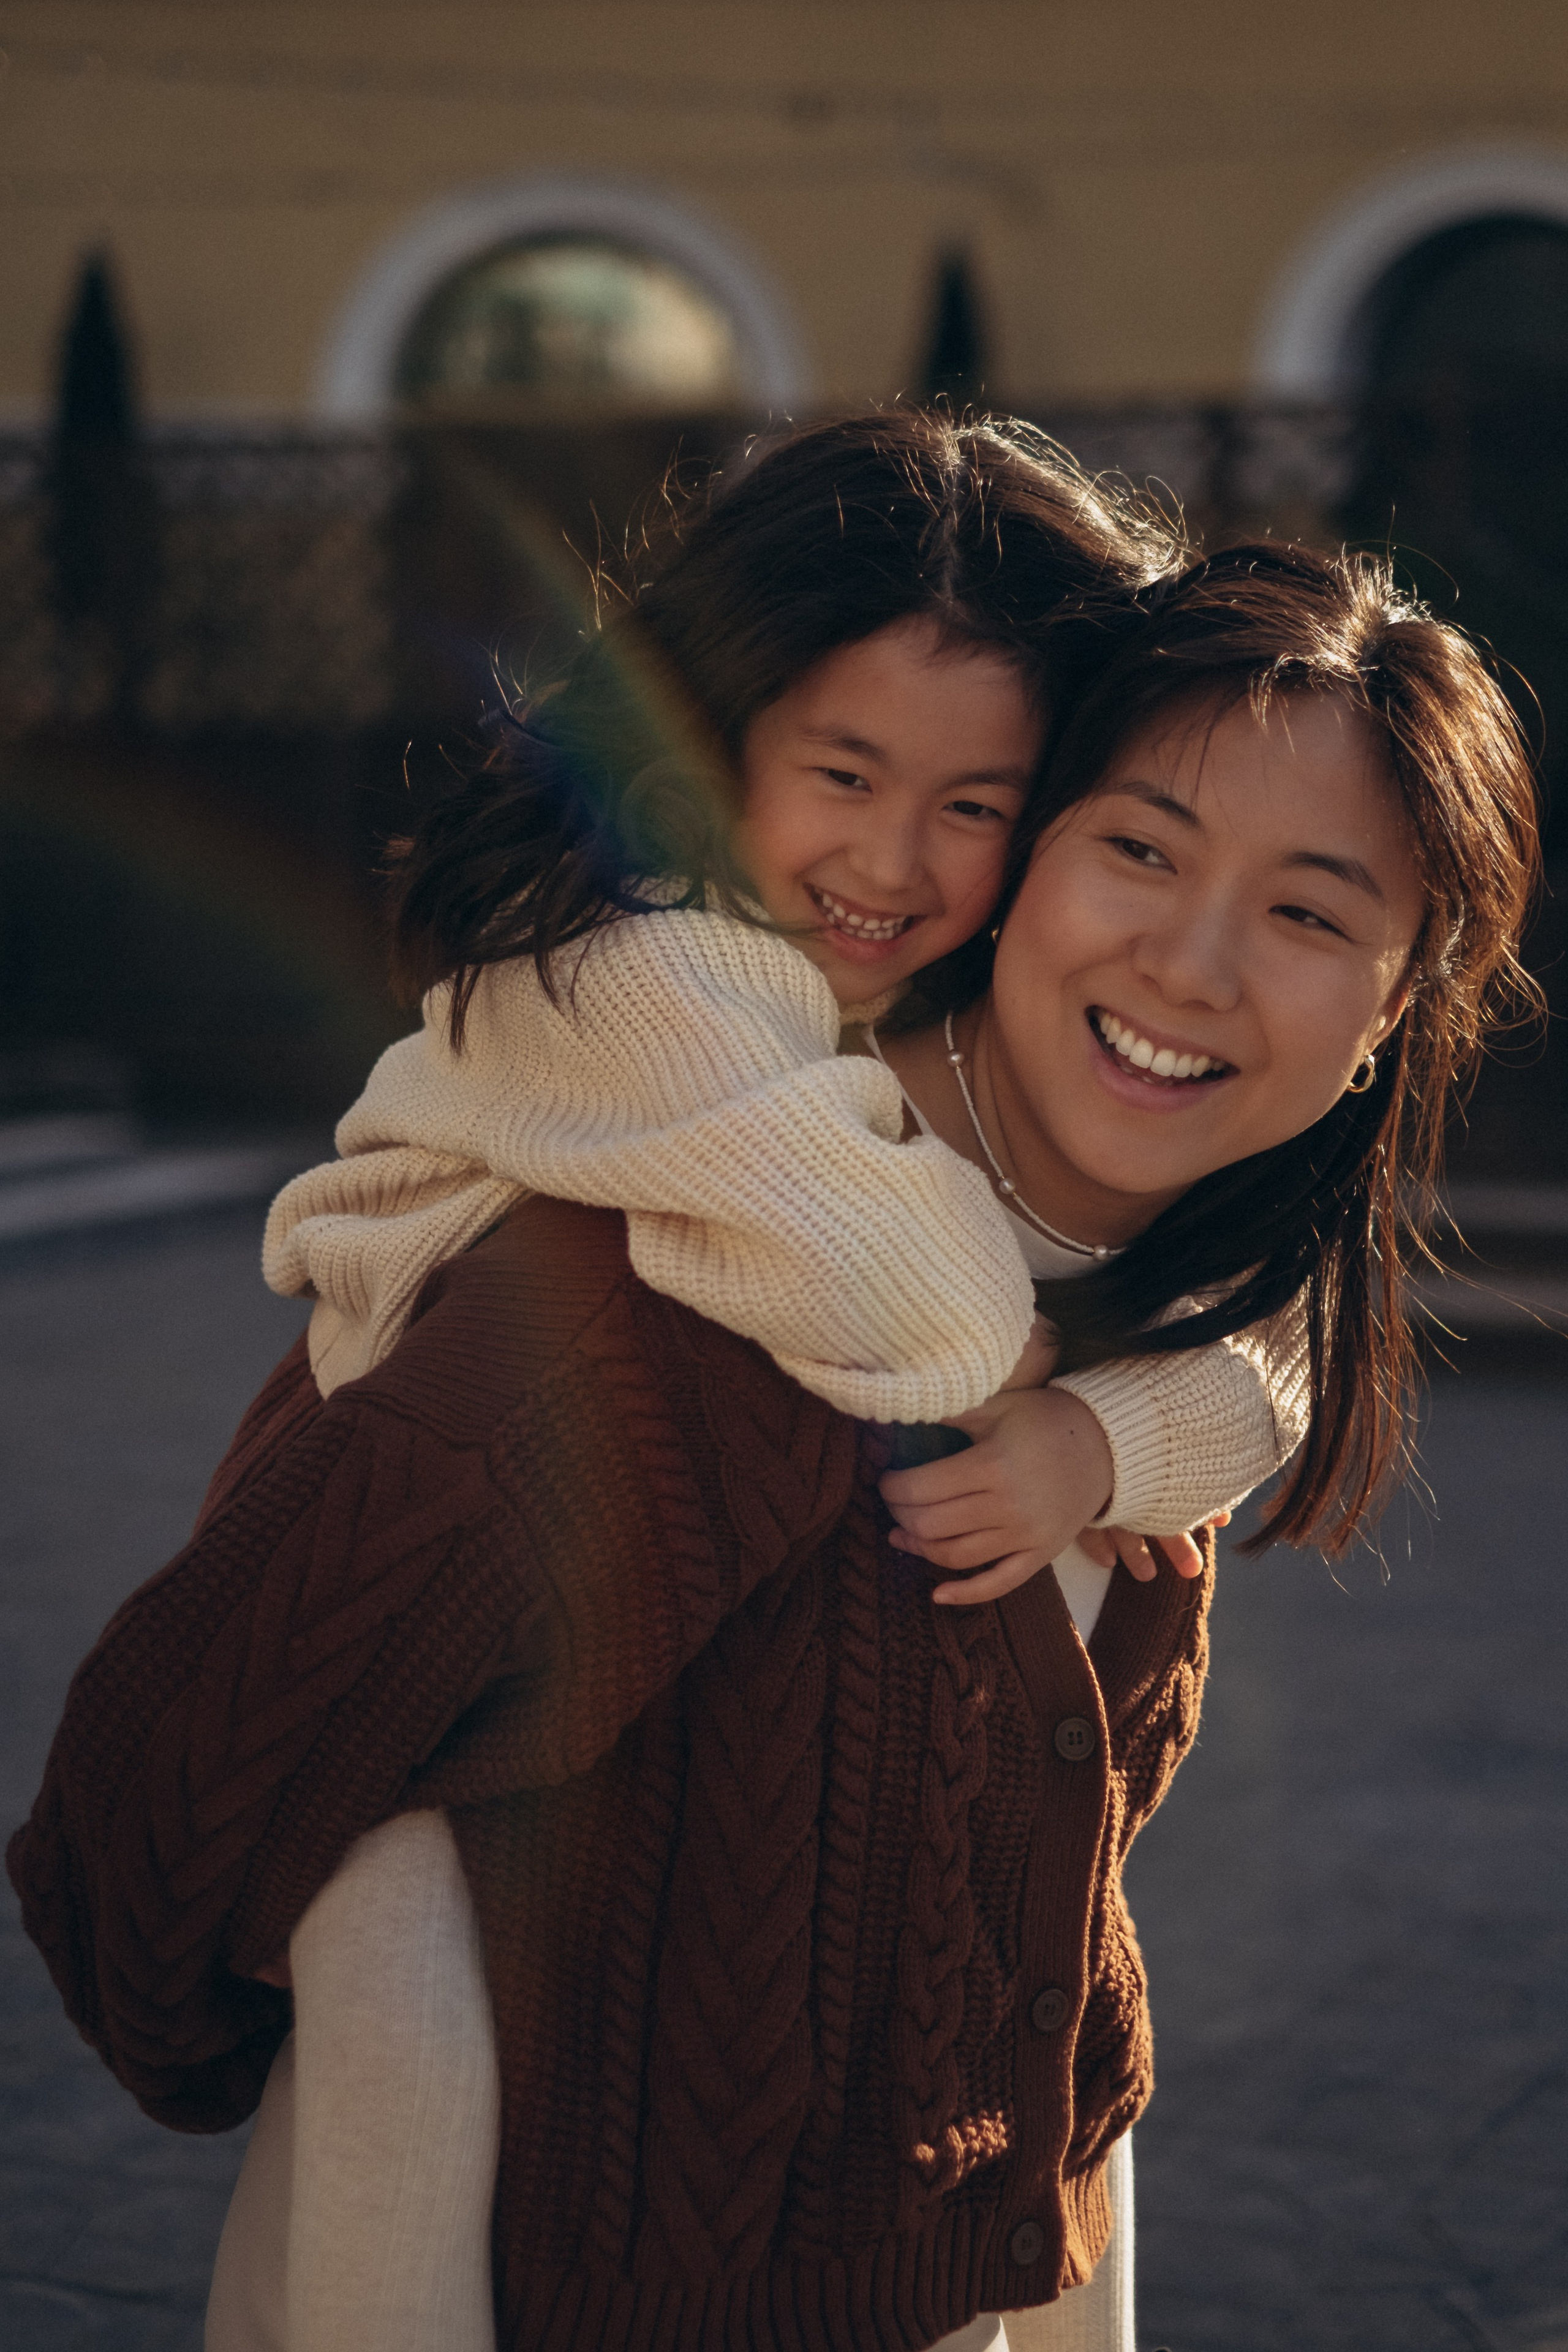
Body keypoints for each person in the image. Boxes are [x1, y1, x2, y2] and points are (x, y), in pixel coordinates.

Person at [7, 523, 1538, 2352]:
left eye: (1312, 912)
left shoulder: (1164, 1300)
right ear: (1036, 861)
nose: (1200, 962)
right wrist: (388, 1989)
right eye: (1140, 847)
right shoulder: (676, 1290)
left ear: (1392, 1010)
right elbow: (159, 1797)